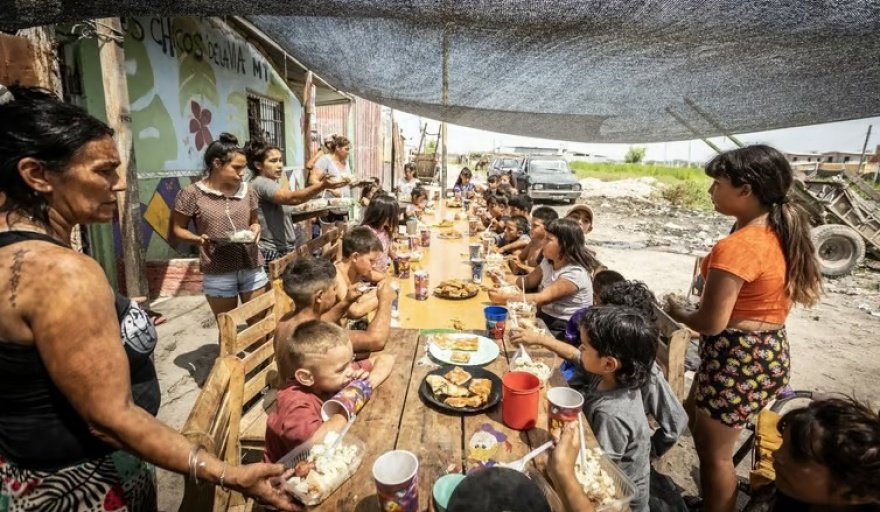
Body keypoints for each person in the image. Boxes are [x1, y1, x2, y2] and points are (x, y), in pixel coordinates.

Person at [0, 85, 295, 510]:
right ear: (37, 175)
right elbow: (109, 418)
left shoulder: (19, 254)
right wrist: (226, 473)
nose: (119, 185)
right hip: (84, 486)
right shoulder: (61, 273)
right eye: (103, 171)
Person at [664, 145, 822, 512]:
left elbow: (711, 322)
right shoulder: (776, 232)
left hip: (738, 358)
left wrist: (679, 310)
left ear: (746, 189)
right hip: (763, 351)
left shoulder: (739, 245)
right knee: (699, 422)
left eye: (718, 183)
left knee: (714, 454)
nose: (711, 191)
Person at [264, 320, 394, 463]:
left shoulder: (332, 375)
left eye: (351, 361)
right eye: (341, 369)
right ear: (306, 377)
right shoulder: (294, 402)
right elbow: (316, 443)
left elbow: (386, 359)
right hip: (283, 478)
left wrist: (365, 385)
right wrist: (349, 403)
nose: (350, 371)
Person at [173, 133, 268, 319]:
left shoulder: (248, 191)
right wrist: (199, 239)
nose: (242, 173)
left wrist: (256, 229)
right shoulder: (191, 194)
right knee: (228, 327)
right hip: (218, 270)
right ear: (217, 164)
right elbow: (178, 230)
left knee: (258, 324)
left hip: (252, 266)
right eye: (237, 168)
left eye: (244, 168)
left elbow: (254, 222)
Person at [580, 306, 659, 511]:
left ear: (608, 364)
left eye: (584, 347)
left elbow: (601, 472)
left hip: (620, 502)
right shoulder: (614, 380)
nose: (579, 350)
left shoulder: (611, 415)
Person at [745, 397, 880, 512]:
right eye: (783, 444)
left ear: (857, 493)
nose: (776, 454)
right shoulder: (779, 494)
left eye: (798, 455)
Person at [275, 257, 394, 369]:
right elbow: (377, 340)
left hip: (300, 384)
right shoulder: (314, 334)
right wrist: (385, 300)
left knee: (364, 353)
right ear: (320, 296)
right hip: (317, 391)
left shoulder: (287, 320)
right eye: (334, 289)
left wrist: (346, 301)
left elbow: (323, 321)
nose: (336, 292)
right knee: (386, 361)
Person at [245, 138, 343, 270]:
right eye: (273, 161)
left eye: (280, 160)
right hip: (273, 252)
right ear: (258, 165)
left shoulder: (271, 183)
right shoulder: (261, 183)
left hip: (282, 250)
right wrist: (322, 185)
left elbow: (287, 208)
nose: (279, 165)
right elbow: (291, 198)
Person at [488, 218, 597, 338]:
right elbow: (528, 280)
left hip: (564, 330)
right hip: (544, 318)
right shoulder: (549, 261)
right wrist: (502, 278)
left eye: (549, 239)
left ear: (565, 245)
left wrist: (504, 299)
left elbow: (542, 298)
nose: (543, 242)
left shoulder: (574, 273)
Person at [334, 226, 386, 320]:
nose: (374, 266)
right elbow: (355, 311)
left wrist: (380, 291)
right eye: (371, 260)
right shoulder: (337, 274)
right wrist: (383, 296)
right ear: (355, 257)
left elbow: (383, 278)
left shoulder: (358, 269)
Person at [309, 134, 353, 226]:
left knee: (341, 238)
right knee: (328, 237)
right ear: (337, 148)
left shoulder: (346, 162)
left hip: (343, 207)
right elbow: (312, 180)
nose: (348, 152)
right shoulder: (326, 160)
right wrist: (330, 189)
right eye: (346, 149)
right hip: (329, 208)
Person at [510, 206, 558, 275]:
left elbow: (541, 274)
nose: (531, 228)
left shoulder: (549, 249)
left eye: (535, 226)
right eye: (531, 225)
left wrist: (522, 267)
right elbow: (520, 257)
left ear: (548, 227)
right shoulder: (534, 241)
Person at [360, 193, 400, 275]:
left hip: (383, 273)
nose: (397, 217)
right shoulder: (368, 232)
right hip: (371, 278)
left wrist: (396, 258)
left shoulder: (385, 230)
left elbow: (386, 249)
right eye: (395, 214)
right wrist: (383, 276)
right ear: (384, 215)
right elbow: (367, 263)